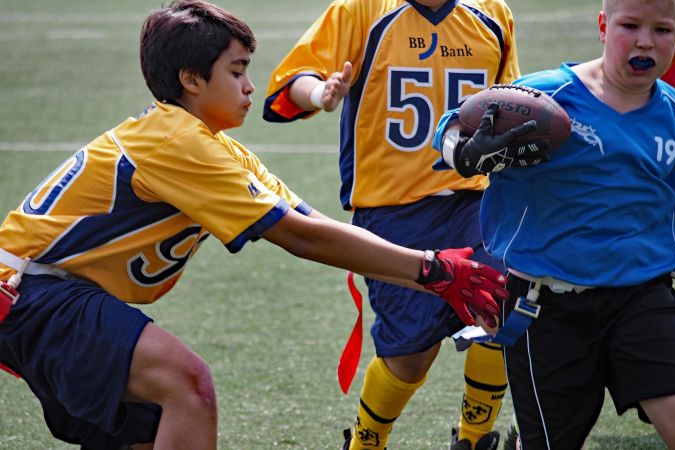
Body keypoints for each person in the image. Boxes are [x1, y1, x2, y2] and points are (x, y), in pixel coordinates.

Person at [0, 1, 511, 449]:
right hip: (33, 290)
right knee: (187, 385)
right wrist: (431, 269)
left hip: (51, 295)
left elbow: (311, 222)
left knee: (149, 429)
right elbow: (299, 238)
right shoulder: (177, 142)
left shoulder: (218, 148)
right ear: (191, 79)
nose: (249, 86)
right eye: (237, 71)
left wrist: (437, 275)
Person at [263, 1, 546, 449]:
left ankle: (474, 437)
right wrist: (320, 93)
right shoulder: (362, 9)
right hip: (390, 210)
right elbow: (292, 79)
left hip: (474, 199)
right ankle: (366, 440)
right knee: (410, 355)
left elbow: (507, 100)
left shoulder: (491, 12)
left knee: (500, 306)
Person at [433, 0, 675, 448]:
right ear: (603, 26)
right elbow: (452, 126)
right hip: (545, 304)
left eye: (663, 30)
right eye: (631, 25)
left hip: (643, 295)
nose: (646, 41)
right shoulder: (547, 95)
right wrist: (464, 152)